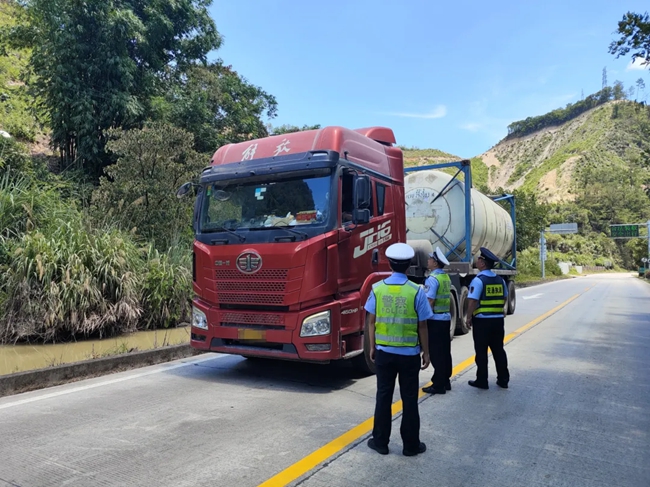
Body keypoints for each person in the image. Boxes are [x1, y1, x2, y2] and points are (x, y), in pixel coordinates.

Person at [364, 242, 432, 456]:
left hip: (384, 354)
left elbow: (371, 321)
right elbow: (423, 325)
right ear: (409, 265)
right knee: (410, 398)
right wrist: (426, 352)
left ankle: (381, 442)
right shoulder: (417, 292)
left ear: (390, 264)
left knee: (383, 396)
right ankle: (411, 446)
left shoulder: (377, 289)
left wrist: (372, 347)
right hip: (409, 355)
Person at [465, 247, 510, 390]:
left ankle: (482, 381)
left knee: (481, 352)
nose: (477, 261)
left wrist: (468, 317)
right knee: (498, 350)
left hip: (482, 322)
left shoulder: (478, 280)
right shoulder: (500, 280)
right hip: (498, 321)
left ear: (483, 263)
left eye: (479, 259)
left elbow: (472, 301)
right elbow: (504, 297)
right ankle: (503, 379)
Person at [422, 247, 453, 395]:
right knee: (445, 351)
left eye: (429, 259)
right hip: (445, 318)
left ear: (435, 263)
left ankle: (438, 384)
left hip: (435, 320)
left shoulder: (433, 279)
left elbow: (430, 300)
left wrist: (423, 319)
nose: (427, 261)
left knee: (436, 353)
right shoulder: (445, 277)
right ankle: (445, 380)